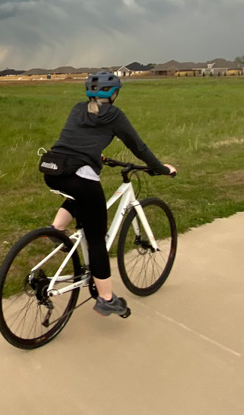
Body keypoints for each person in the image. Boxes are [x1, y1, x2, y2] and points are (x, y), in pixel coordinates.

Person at [42, 71, 176, 317]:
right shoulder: (114, 115)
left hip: (54, 169)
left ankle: (56, 231)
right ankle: (106, 298)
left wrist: (96, 155)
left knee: (82, 196)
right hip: (80, 174)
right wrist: (160, 169)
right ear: (113, 94)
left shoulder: (78, 108)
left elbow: (76, 140)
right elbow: (138, 147)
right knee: (96, 238)